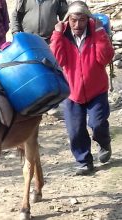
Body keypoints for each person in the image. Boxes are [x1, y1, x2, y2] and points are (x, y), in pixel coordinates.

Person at [50, 1, 115, 175]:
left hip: (97, 89)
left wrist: (101, 33)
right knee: (75, 130)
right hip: (72, 92)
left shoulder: (96, 32)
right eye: (73, 20)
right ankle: (84, 162)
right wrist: (56, 36)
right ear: (67, 20)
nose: (77, 24)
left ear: (88, 19)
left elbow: (105, 58)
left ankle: (104, 142)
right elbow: (58, 61)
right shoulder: (62, 35)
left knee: (98, 123)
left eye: (82, 20)